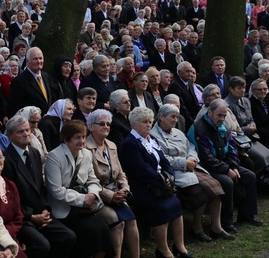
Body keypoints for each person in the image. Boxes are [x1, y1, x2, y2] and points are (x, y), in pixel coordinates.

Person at [152, 103, 233, 241]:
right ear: (161, 117)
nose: (175, 120)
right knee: (203, 189)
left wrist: (191, 159)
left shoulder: (177, 132)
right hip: (176, 172)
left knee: (216, 187)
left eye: (177, 117)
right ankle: (197, 228)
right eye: (172, 117)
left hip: (191, 166)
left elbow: (190, 146)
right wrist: (184, 163)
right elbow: (162, 159)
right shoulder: (154, 136)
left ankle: (216, 227)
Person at [119, 107, 191, 258]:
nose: (149, 125)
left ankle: (180, 247)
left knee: (176, 204)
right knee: (161, 208)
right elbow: (141, 169)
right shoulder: (130, 144)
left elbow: (164, 161)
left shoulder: (152, 139)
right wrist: (162, 180)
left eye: (151, 122)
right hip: (142, 187)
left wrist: (170, 176)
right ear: (134, 124)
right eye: (145, 122)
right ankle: (163, 250)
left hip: (159, 184)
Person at [1, 115, 76, 257]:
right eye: (20, 132)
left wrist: (45, 209)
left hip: (40, 212)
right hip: (22, 218)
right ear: (10, 136)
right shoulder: (7, 160)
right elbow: (10, 199)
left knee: (68, 236)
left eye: (27, 130)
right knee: (41, 245)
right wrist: (31, 217)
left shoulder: (34, 153)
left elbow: (40, 188)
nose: (26, 134)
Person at [189, 99, 261, 233]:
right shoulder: (199, 128)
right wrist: (227, 170)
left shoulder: (222, 127)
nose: (222, 118)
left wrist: (233, 166)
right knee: (227, 182)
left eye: (224, 115)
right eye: (219, 115)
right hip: (206, 167)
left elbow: (233, 149)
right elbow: (206, 157)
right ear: (210, 112)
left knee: (249, 176)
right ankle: (225, 222)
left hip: (224, 164)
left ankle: (247, 214)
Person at [45, 120, 112, 258]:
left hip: (83, 207)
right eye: (77, 137)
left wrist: (93, 194)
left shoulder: (86, 154)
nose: (82, 141)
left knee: (102, 228)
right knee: (89, 231)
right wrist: (83, 199)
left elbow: (93, 180)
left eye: (83, 136)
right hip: (64, 209)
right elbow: (56, 190)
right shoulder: (54, 156)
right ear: (66, 139)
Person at [85, 110, 140, 258]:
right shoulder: (85, 147)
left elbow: (120, 173)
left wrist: (125, 188)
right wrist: (111, 195)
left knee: (131, 219)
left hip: (117, 192)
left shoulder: (112, 145)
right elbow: (88, 181)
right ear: (91, 127)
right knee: (117, 221)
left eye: (108, 124)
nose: (106, 127)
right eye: (101, 124)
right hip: (96, 194)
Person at [7, 47, 58, 118]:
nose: (39, 61)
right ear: (27, 61)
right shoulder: (19, 81)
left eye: (40, 58)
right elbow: (14, 108)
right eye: (35, 59)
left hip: (47, 122)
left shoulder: (47, 76)